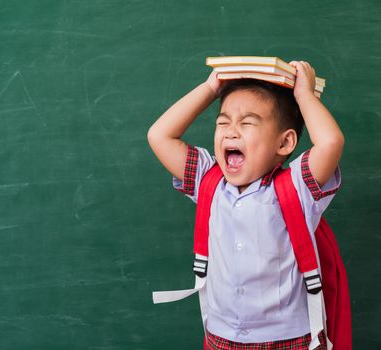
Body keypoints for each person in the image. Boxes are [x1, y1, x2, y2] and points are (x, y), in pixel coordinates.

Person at [147, 60, 344, 349]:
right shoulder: (208, 181)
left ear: (285, 143)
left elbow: (330, 143)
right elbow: (159, 135)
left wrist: (304, 95)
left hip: (288, 338)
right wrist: (211, 88)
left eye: (247, 123)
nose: (230, 132)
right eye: (223, 122)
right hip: (221, 335)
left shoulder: (296, 189)